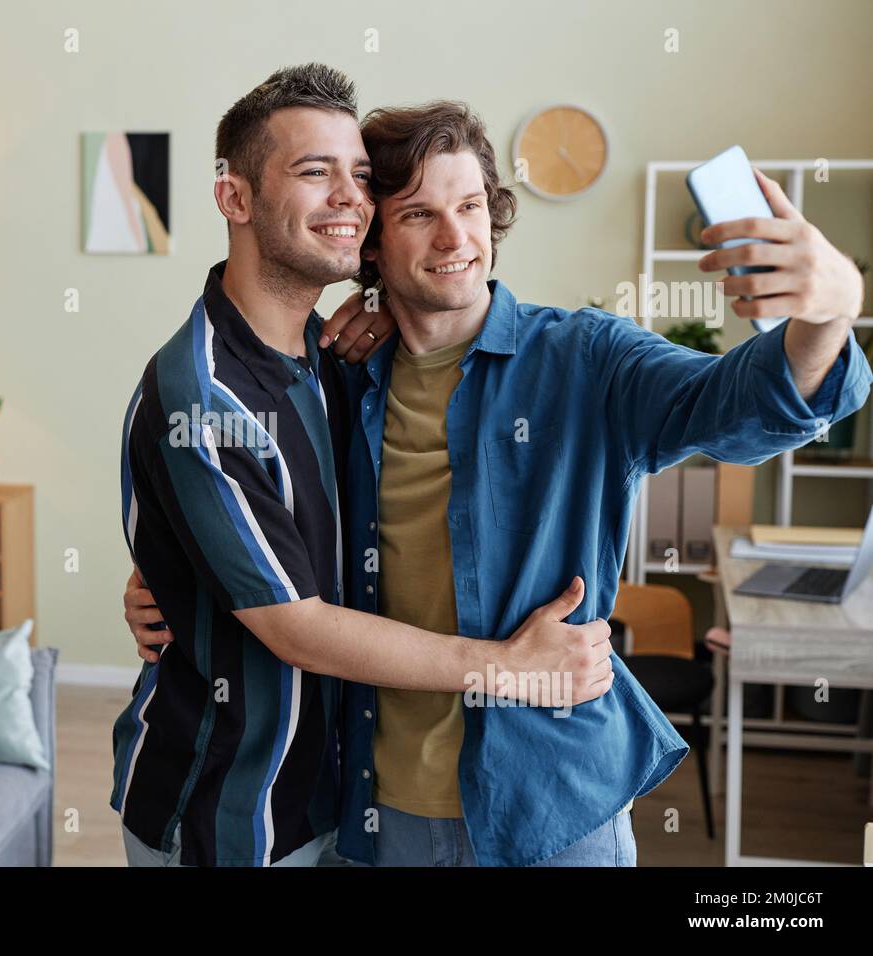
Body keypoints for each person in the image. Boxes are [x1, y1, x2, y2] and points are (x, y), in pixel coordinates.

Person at [124, 90, 871, 867]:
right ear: (374, 241)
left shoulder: (587, 359)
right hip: (375, 814)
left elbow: (740, 405)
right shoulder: (340, 374)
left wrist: (829, 312)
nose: (456, 238)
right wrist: (177, 580)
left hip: (551, 811)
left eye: (472, 206)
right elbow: (264, 508)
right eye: (417, 214)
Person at [114, 65, 615, 869]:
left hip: (336, 800)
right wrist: (511, 670)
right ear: (234, 199)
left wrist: (177, 581)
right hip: (227, 811)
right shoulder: (202, 395)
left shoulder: (336, 360)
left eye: (357, 175)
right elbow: (296, 626)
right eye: (315, 172)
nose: (349, 195)